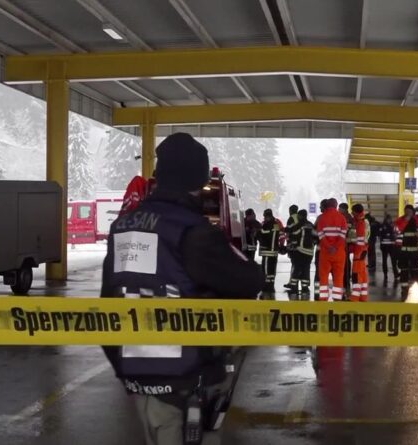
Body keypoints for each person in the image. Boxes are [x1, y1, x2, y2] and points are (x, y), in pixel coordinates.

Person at [100, 133, 264, 445]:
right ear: (197, 179)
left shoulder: (123, 225)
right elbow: (247, 281)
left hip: (133, 365)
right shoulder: (192, 230)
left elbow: (109, 297)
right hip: (182, 372)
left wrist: (122, 361)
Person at [316, 198, 348, 301]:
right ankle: (337, 299)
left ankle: (323, 299)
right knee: (338, 277)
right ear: (336, 206)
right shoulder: (342, 218)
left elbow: (320, 235)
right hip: (339, 254)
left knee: (323, 277)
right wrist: (335, 247)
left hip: (325, 253)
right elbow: (343, 236)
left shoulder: (321, 218)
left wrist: (329, 247)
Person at [395, 204, 418, 299]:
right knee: (403, 271)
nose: (407, 213)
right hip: (403, 252)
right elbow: (397, 231)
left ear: (413, 212)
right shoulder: (400, 220)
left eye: (409, 211)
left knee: (416, 271)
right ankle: (404, 290)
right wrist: (406, 221)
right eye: (406, 211)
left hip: (414, 252)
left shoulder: (417, 220)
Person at [288, 209, 315, 298]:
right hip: (309, 253)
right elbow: (316, 237)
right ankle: (305, 287)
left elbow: (293, 235)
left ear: (300, 216)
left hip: (299, 251)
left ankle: (294, 287)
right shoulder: (311, 225)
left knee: (296, 269)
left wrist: (291, 247)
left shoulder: (299, 225)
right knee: (306, 269)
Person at [259, 209, 284, 293]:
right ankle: (271, 285)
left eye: (264, 217)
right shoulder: (276, 224)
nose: (264, 218)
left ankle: (266, 286)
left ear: (267, 216)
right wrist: (281, 245)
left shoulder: (266, 225)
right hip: (274, 251)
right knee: (272, 269)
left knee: (266, 269)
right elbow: (281, 235)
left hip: (267, 251)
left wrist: (257, 232)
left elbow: (261, 234)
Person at [351, 204, 371, 302]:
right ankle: (363, 297)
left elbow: (359, 240)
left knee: (356, 275)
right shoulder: (365, 221)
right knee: (363, 275)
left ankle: (355, 298)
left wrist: (349, 240)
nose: (352, 213)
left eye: (352, 212)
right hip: (363, 251)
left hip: (359, 252)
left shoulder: (360, 223)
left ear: (356, 212)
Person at [339, 203, 355, 298]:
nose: (338, 210)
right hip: (344, 245)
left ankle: (346, 283)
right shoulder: (348, 218)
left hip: (345, 245)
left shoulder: (347, 218)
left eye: (340, 208)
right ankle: (345, 283)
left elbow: (350, 231)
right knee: (344, 264)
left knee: (345, 265)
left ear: (344, 209)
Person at [379, 214, 399, 283]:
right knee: (386, 261)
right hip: (386, 246)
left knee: (393, 261)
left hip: (390, 245)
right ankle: (386, 274)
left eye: (389, 219)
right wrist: (390, 236)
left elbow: (395, 234)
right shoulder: (386, 226)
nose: (389, 220)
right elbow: (381, 235)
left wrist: (391, 236)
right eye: (388, 219)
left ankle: (395, 274)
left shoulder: (391, 226)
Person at [284, 205, 300, 291]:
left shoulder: (291, 219)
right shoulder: (299, 217)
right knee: (297, 264)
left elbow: (288, 230)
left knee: (294, 264)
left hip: (293, 245)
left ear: (290, 210)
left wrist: (283, 230)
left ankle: (292, 282)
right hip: (299, 244)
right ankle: (295, 282)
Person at [313, 200, 328, 291]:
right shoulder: (340, 217)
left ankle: (318, 290)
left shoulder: (320, 218)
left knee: (319, 271)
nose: (319, 208)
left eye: (321, 206)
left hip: (321, 249)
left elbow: (315, 232)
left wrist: (315, 241)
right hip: (336, 251)